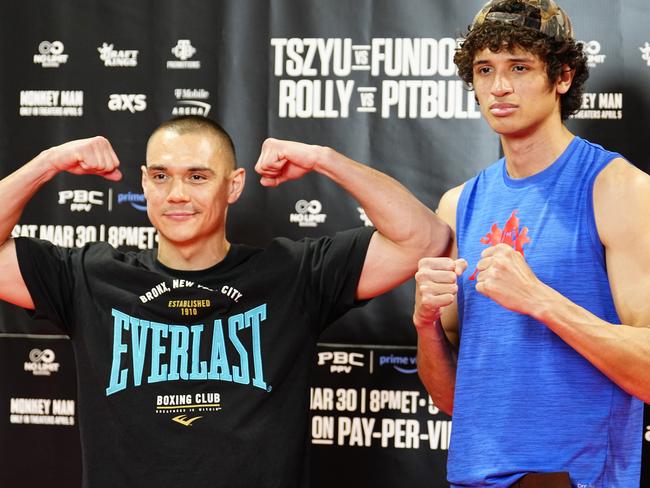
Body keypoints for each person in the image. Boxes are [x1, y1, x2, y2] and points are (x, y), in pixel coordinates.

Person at [0, 115, 450, 488]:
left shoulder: (293, 273)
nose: (176, 194)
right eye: (161, 176)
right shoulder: (88, 276)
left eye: (198, 177)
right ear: (145, 183)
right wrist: (47, 162)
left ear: (233, 186)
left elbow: (424, 238)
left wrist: (324, 159)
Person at [413, 1, 650, 487]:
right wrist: (425, 325)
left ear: (562, 77)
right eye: (485, 70)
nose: (498, 86)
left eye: (519, 67)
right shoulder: (459, 204)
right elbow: (450, 399)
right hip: (474, 475)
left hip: (575, 477)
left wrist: (538, 299)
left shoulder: (617, 188)